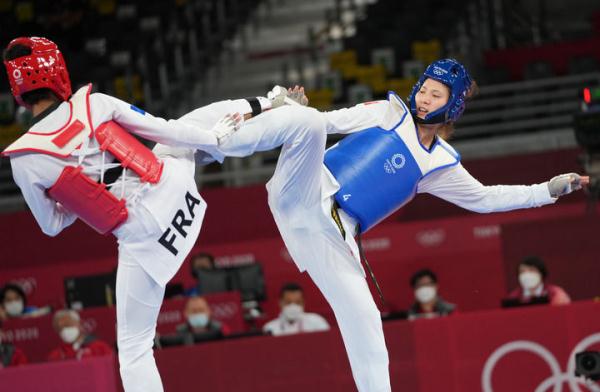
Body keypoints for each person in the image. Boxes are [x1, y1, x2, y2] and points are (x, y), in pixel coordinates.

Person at [188, 58, 588, 392]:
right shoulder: (387, 112)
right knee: (306, 121)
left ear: (452, 108)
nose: (425, 96)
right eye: (424, 88)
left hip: (330, 232)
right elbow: (327, 123)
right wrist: (289, 110)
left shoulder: (440, 163)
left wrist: (545, 190)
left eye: (436, 94)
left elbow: (484, 200)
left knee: (364, 318)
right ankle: (205, 143)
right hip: (304, 187)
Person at [1, 36, 321, 392]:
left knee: (135, 350)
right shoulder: (94, 104)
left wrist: (81, 195)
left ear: (17, 90)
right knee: (195, 123)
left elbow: (51, 226)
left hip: (143, 241)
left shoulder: (24, 159)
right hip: (175, 190)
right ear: (57, 70)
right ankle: (271, 104)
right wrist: (212, 140)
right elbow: (165, 128)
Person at [263, 282, 330, 336]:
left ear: (303, 303)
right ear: (280, 303)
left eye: (298, 302)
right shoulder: (270, 328)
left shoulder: (317, 322)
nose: (293, 306)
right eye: (288, 302)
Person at [47, 309, 113, 361]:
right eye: (60, 328)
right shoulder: (56, 356)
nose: (64, 330)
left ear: (79, 324)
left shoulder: (99, 347)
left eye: (68, 325)